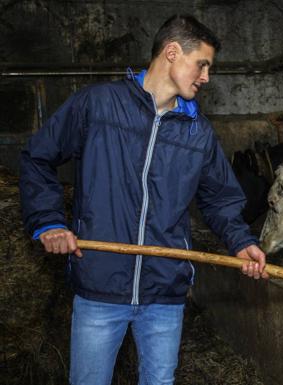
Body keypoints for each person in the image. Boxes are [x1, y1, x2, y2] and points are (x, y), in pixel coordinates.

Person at [19, 14, 268, 385]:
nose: (206, 77)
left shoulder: (198, 133)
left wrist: (241, 241)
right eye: (202, 64)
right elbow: (38, 157)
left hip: (165, 292)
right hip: (100, 285)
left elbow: (219, 198)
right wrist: (49, 221)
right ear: (172, 52)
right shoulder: (97, 106)